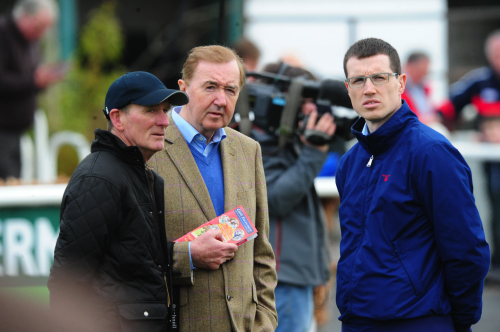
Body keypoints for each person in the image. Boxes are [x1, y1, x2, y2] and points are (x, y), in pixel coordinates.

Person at [335, 38, 490, 332]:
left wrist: (459, 320)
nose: (369, 89)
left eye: (380, 77)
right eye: (358, 80)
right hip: (357, 320)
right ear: (348, 88)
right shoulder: (350, 162)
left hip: (419, 320)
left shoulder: (431, 153)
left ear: (401, 82)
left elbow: (466, 249)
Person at [147, 45, 278, 332]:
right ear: (182, 89)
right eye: (210, 87)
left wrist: (265, 321)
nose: (221, 99)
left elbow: (262, 253)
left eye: (230, 90)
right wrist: (189, 255)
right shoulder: (149, 149)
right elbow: (129, 255)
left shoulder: (248, 150)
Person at [48, 71, 189, 331]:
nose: (164, 121)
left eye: (165, 110)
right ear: (117, 118)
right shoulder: (99, 179)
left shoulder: (140, 175)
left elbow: (132, 259)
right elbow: (68, 282)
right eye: (150, 111)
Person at [252, 63, 334, 332]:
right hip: (282, 278)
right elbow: (274, 199)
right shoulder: (262, 142)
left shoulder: (291, 141)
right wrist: (313, 153)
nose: (313, 109)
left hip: (295, 276)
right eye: (306, 100)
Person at [439, 30, 500, 277]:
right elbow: (447, 108)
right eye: (495, 54)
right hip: (493, 163)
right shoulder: (479, 81)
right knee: (496, 205)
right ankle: (496, 263)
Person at [0, 0, 63, 180]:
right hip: (2, 129)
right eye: (38, 27)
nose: (40, 34)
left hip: (16, 130)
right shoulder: (3, 34)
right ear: (25, 16)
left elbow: (26, 84)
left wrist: (41, 82)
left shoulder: (30, 41)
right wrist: (33, 80)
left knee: (14, 182)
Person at [401, 51, 436, 124]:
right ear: (409, 66)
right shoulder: (399, 88)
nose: (425, 74)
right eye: (421, 70)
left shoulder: (423, 87)